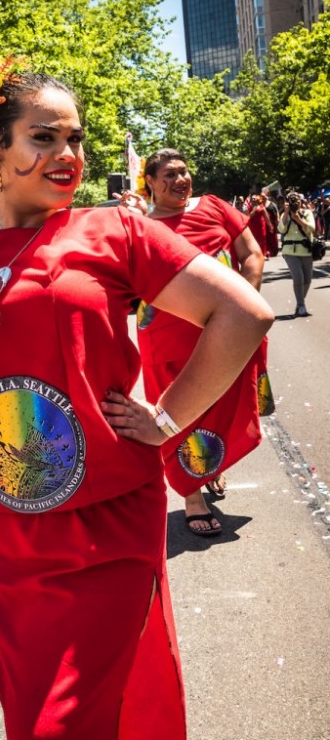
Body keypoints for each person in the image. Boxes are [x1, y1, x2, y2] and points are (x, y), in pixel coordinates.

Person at [0, 55, 273, 740]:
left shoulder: (113, 232)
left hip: (107, 527)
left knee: (67, 720)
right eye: (45, 137)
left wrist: (170, 418)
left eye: (76, 139)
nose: (68, 155)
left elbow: (242, 313)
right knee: (31, 711)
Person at [116, 148, 266, 536]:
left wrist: (240, 306)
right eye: (168, 174)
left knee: (222, 403)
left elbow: (251, 253)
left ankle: (209, 464)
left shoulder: (215, 207)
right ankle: (192, 494)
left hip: (225, 332)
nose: (180, 180)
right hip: (165, 337)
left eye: (183, 172)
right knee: (178, 408)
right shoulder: (139, 223)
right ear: (149, 181)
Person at [279, 191, 315, 317]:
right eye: (292, 201)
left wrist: (298, 219)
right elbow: (281, 229)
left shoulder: (307, 213)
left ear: (301, 201)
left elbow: (311, 228)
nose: (295, 202)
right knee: (298, 277)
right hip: (289, 251)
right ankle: (301, 306)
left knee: (308, 280)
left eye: (297, 200)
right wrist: (287, 212)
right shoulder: (285, 214)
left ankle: (300, 302)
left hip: (305, 250)